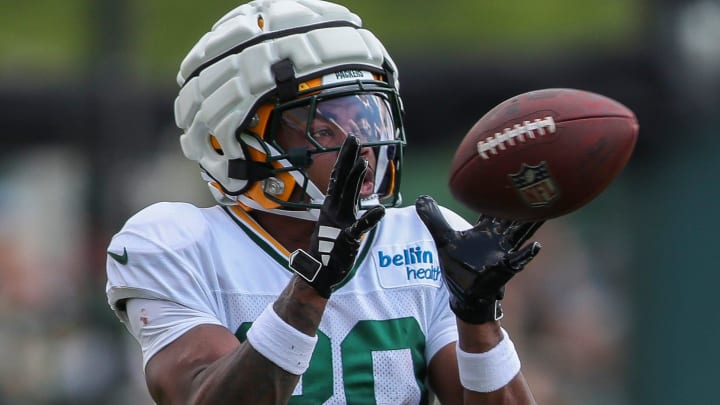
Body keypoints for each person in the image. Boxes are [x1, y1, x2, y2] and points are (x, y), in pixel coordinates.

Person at [105, 0, 544, 403]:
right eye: (325, 127)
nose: (365, 146)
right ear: (229, 144)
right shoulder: (175, 244)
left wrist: (478, 321)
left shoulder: (422, 238)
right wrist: (309, 289)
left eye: (369, 117)